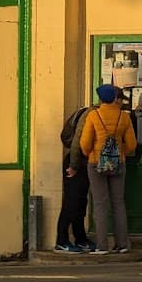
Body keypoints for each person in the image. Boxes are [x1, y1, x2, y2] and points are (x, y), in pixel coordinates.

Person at [80, 83, 137, 254]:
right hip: (118, 163)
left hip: (96, 163)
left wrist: (91, 153)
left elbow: (84, 143)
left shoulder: (93, 116)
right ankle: (122, 244)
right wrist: (120, 153)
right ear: (114, 98)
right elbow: (132, 144)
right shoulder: (124, 117)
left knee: (100, 204)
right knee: (118, 203)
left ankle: (101, 245)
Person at [54, 104, 95, 253]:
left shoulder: (92, 113)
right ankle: (62, 240)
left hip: (80, 161)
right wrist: (74, 165)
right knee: (71, 203)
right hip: (76, 162)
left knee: (80, 203)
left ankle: (80, 238)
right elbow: (78, 142)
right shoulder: (91, 114)